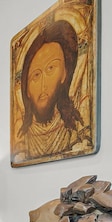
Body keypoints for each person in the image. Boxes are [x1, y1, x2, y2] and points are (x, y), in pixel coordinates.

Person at [12, 20, 91, 164]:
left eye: (51, 69)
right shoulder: (21, 140)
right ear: (26, 88)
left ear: (65, 73)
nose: (43, 85)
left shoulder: (78, 128)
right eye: (36, 75)